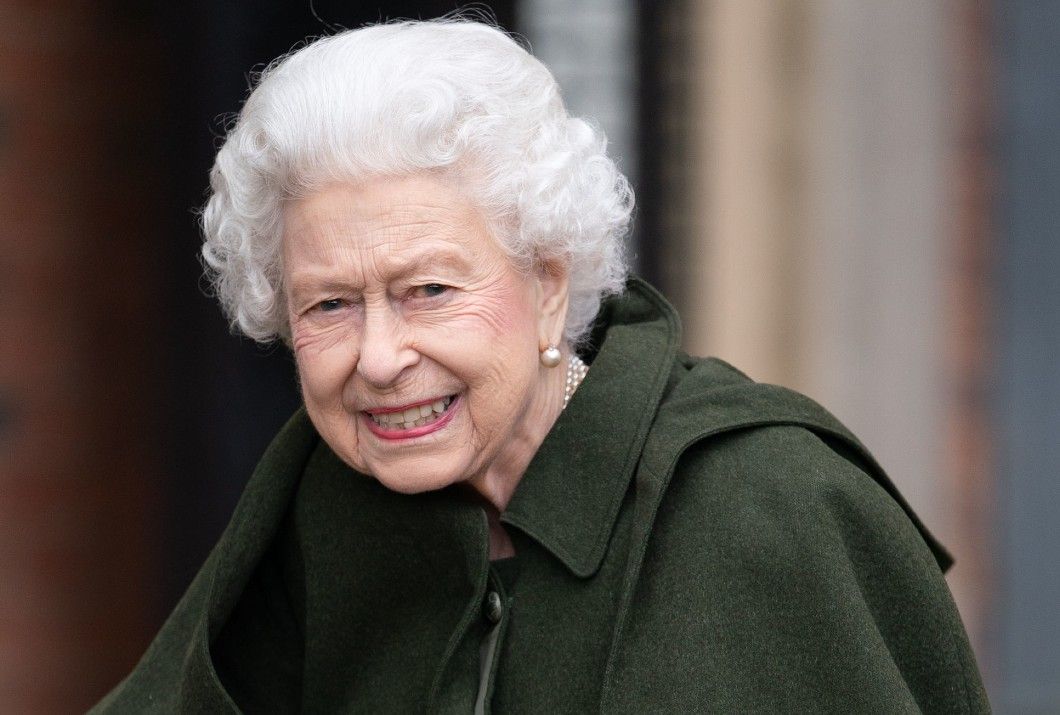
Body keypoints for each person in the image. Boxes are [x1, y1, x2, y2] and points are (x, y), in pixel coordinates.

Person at [92, 18, 990, 714]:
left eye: (429, 290)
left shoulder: (767, 504)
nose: (378, 356)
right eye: (329, 304)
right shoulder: (324, 509)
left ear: (549, 283)